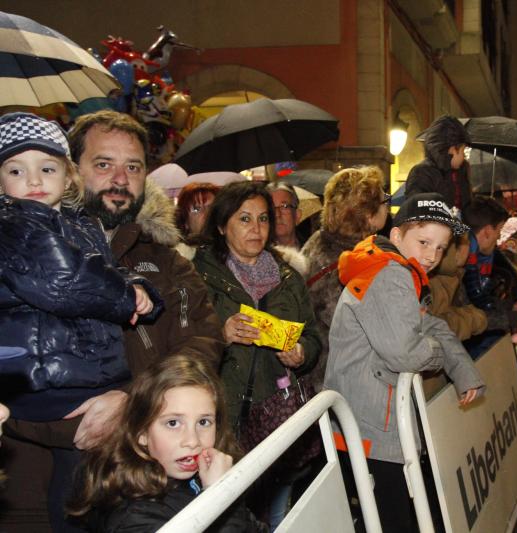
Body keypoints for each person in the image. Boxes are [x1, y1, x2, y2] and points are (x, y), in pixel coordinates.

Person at [0, 112, 161, 531]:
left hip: (84, 379)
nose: (34, 181)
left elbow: (100, 270)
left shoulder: (80, 227)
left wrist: (141, 287)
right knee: (66, 504)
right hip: (43, 386)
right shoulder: (15, 225)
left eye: (47, 169)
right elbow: (63, 282)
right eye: (16, 170)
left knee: (86, 497)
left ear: (69, 177)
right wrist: (127, 298)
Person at [325, 192, 484, 532]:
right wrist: (441, 357)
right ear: (397, 236)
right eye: (424, 242)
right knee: (390, 520)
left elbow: (432, 326)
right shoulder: (391, 274)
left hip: (366, 423)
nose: (432, 255)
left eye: (441, 248)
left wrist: (463, 371)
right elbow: (405, 352)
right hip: (372, 427)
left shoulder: (400, 272)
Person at [192, 181, 323, 529]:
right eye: (245, 219)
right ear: (222, 226)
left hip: (275, 416)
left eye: (263, 219)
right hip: (221, 416)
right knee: (226, 516)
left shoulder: (288, 277)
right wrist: (221, 334)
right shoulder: (199, 276)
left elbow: (313, 336)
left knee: (277, 514)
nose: (257, 228)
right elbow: (180, 342)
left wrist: (301, 353)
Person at [68, 355, 260, 532]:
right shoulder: (133, 516)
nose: (193, 441)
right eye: (173, 423)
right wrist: (221, 498)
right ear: (141, 432)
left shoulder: (201, 477)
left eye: (203, 422)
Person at [300, 166, 389, 389]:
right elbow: (357, 331)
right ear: (369, 215)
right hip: (336, 384)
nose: (388, 203)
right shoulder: (345, 263)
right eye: (383, 199)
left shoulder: (319, 242)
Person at [461, 196, 517, 357]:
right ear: (487, 231)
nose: (499, 237)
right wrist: (512, 318)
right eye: (499, 231)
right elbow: (468, 313)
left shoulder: (473, 259)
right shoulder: (461, 264)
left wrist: (511, 309)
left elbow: (481, 301)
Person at [405, 115, 472, 213]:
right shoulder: (421, 173)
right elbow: (417, 212)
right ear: (452, 150)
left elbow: (467, 209)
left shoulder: (462, 171)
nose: (464, 157)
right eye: (463, 151)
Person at [265, 181, 304, 249]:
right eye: (271, 208)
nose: (277, 214)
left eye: (284, 206)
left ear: (297, 215)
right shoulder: (257, 255)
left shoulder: (312, 252)